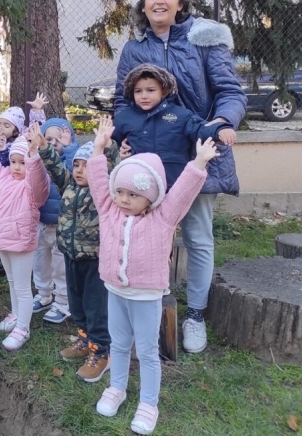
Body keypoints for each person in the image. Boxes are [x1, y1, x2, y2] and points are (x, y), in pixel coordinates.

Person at [115, 0, 247, 353]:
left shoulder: (205, 40)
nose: (159, 0)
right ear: (143, 4)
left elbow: (229, 92)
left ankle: (195, 316)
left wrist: (221, 122)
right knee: (146, 235)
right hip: (150, 158)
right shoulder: (134, 48)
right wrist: (124, 140)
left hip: (198, 154)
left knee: (198, 237)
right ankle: (149, 303)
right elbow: (124, 102)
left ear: (180, 2)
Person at [87, 117, 219, 435]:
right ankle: (116, 388)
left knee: (146, 350)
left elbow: (183, 192)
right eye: (120, 191)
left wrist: (199, 162)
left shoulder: (163, 216)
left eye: (132, 194)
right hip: (115, 289)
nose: (123, 199)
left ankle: (148, 403)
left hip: (146, 296)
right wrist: (97, 149)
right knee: (118, 344)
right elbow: (97, 182)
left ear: (152, 196)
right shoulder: (109, 209)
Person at [34, 126, 120, 383]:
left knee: (96, 308)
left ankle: (101, 352)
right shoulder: (69, 184)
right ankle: (84, 339)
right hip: (71, 256)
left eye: (86, 165)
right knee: (77, 304)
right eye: (77, 165)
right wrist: (42, 145)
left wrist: (104, 143)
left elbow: (111, 162)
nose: (81, 170)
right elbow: (54, 166)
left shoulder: (101, 192)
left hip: (94, 260)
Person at [0, 125, 50, 352]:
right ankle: (16, 314)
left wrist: (33, 157)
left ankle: (23, 328)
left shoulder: (32, 186)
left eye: (22, 162)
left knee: (21, 286)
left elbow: (39, 184)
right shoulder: (2, 176)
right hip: (2, 239)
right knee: (11, 281)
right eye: (14, 161)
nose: (17, 167)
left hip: (20, 242)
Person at [113, 63, 236, 190]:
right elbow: (112, 142)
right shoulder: (124, 117)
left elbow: (201, 129)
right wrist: (119, 151)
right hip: (137, 184)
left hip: (173, 182)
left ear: (164, 92)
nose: (144, 96)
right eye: (138, 91)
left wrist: (220, 129)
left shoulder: (180, 115)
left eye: (150, 90)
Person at [0, 87, 46, 280]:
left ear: (16, 127)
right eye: (0, 124)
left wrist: (36, 112)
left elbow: (36, 136)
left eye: (7, 125)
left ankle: (1, 266)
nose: (2, 128)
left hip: (20, 195)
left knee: (10, 227)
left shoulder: (21, 142)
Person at [31, 101, 76, 325]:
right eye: (48, 139)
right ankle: (44, 294)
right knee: (40, 262)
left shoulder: (71, 160)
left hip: (61, 226)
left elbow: (71, 176)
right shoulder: (40, 161)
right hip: (41, 222)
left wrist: (68, 148)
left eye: (59, 139)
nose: (53, 143)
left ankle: (62, 301)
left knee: (60, 266)